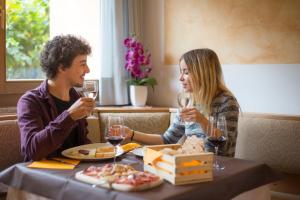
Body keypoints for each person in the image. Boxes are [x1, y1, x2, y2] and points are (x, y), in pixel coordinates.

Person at [124, 48, 240, 157]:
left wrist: (202, 121)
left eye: (186, 72)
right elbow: (167, 139)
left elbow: (225, 148)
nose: (180, 78)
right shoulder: (189, 102)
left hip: (220, 168)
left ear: (202, 73)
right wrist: (132, 134)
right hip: (192, 166)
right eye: (181, 72)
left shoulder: (227, 102)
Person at [17, 35, 95, 161]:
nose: (88, 70)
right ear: (62, 67)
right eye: (82, 64)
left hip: (76, 173)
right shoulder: (30, 101)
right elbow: (33, 151)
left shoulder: (77, 98)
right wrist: (69, 116)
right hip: (46, 176)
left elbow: (81, 146)